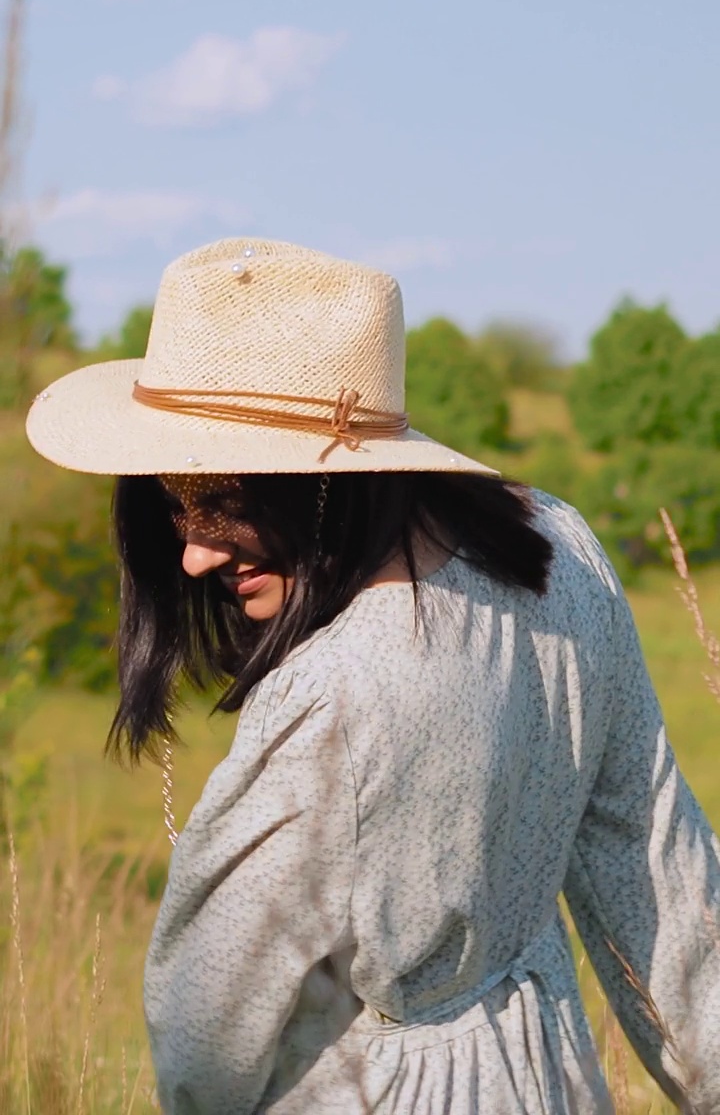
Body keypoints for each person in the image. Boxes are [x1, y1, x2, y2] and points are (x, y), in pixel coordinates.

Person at [26, 236, 720, 1114]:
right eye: (174, 503)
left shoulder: (333, 692)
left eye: (219, 503)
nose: (194, 554)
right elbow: (664, 883)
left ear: (320, 486)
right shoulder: (563, 553)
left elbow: (206, 1037)